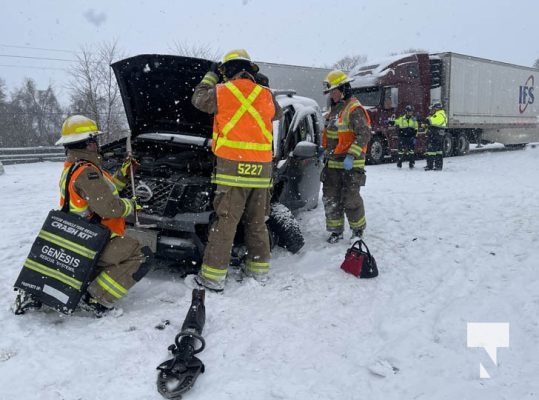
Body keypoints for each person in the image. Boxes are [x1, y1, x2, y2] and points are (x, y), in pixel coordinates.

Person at [15, 115, 151, 317]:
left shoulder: (75, 167)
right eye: (94, 140)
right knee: (142, 255)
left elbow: (102, 193)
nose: (97, 144)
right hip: (92, 240)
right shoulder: (88, 172)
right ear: (89, 144)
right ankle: (96, 298)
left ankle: (88, 284)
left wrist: (122, 175)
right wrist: (132, 205)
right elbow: (109, 208)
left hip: (78, 236)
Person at [191, 49, 282, 291]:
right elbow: (278, 113)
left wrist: (210, 76)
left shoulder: (221, 92)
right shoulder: (266, 95)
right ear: (250, 70)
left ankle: (212, 277)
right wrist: (263, 87)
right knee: (257, 222)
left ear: (226, 71)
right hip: (262, 173)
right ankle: (258, 271)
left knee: (226, 224)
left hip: (232, 170)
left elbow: (198, 100)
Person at [320, 70, 372, 244]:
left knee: (350, 199)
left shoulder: (354, 109)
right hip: (333, 163)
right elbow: (332, 135)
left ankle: (357, 230)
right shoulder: (334, 110)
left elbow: (364, 134)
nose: (331, 95)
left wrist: (351, 155)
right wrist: (324, 150)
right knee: (330, 197)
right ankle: (336, 231)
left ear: (343, 89)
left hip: (350, 163)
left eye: (333, 91)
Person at [424, 102, 448, 170]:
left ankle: (430, 165)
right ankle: (438, 165)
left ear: (437, 108)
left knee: (431, 150)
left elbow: (432, 121)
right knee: (438, 151)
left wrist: (426, 120)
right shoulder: (440, 114)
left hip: (435, 135)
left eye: (434, 108)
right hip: (437, 134)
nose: (432, 109)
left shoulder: (439, 114)